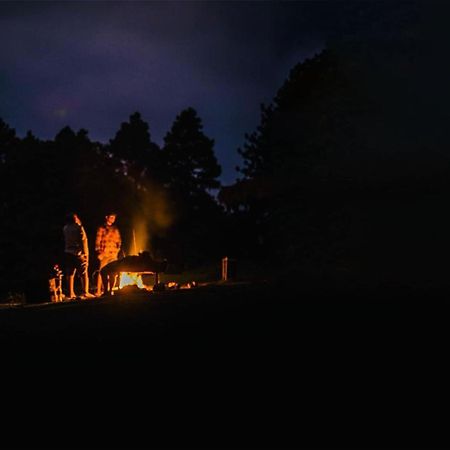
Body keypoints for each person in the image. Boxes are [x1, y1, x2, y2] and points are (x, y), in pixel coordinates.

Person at [63, 213, 95, 299]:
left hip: (68, 252)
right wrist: (86, 255)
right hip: (78, 253)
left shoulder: (65, 228)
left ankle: (71, 293)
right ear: (75, 219)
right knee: (84, 273)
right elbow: (83, 241)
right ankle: (85, 292)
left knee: (70, 274)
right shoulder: (78, 228)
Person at [95, 212, 122, 296]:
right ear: (106, 217)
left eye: (114, 218)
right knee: (102, 272)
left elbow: (119, 241)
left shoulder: (115, 229)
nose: (112, 219)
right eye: (111, 217)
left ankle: (110, 290)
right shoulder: (102, 228)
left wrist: (117, 250)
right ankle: (100, 290)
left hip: (113, 254)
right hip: (104, 254)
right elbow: (98, 240)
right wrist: (99, 252)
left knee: (113, 273)